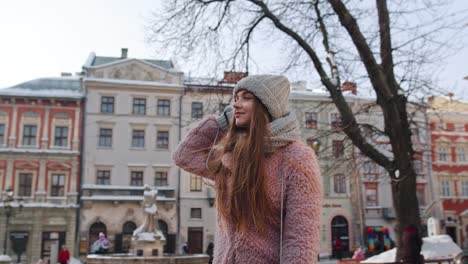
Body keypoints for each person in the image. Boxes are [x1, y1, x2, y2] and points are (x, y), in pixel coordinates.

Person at [173, 75, 323, 263]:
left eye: (246, 98)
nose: (236, 104)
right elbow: (184, 155)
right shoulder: (232, 156)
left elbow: (301, 240)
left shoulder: (297, 158)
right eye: (236, 98)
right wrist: (219, 124)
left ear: (266, 106)